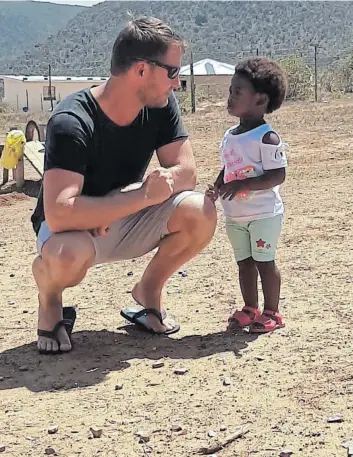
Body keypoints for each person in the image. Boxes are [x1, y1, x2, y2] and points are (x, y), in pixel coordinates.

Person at [30, 16, 217, 354]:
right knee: (70, 254)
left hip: (121, 217)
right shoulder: (72, 121)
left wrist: (126, 202)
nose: (177, 84)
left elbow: (186, 172)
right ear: (142, 70)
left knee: (200, 210)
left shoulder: (160, 106)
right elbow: (59, 213)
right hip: (74, 231)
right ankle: (51, 298)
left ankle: (148, 292)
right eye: (172, 72)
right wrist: (137, 196)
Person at [206, 57, 288, 333]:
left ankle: (272, 313)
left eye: (237, 92)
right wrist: (218, 187)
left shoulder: (268, 138)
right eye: (231, 91)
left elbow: (278, 175)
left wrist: (244, 186)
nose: (230, 97)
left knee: (265, 263)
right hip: (236, 215)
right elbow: (229, 168)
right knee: (244, 263)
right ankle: (250, 308)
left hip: (263, 214)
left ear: (260, 100)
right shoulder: (231, 135)